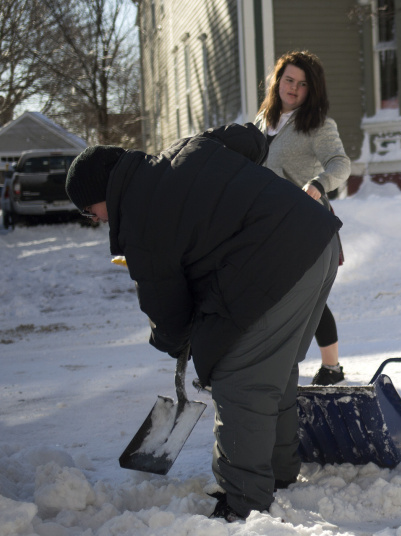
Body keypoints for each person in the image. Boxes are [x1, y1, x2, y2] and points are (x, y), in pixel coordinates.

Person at [64, 123, 342, 522]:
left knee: (239, 377)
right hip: (318, 239)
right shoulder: (187, 148)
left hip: (277, 262)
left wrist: (174, 342)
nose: (96, 221)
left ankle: (244, 502)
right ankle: (278, 473)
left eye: (90, 212)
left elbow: (168, 311)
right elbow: (250, 140)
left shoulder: (140, 220)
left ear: (102, 193)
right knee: (273, 369)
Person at [253, 50, 351, 386]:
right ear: (278, 81)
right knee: (270, 296)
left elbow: (340, 165)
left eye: (303, 84)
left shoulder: (317, 125)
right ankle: (261, 364)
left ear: (312, 90)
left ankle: (331, 368)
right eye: (289, 79)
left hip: (302, 225)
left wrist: (319, 184)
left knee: (306, 297)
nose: (293, 88)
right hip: (265, 227)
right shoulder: (261, 121)